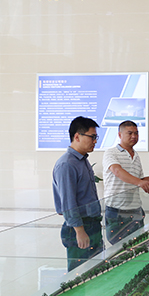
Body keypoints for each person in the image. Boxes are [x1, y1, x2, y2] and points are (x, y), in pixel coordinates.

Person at [52, 116, 104, 271]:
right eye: (92, 137)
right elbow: (68, 203)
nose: (95, 141)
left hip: (91, 224)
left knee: (96, 271)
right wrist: (79, 231)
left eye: (96, 137)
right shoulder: (66, 164)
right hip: (79, 227)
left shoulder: (82, 160)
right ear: (77, 136)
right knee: (79, 274)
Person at [103, 120, 149, 244]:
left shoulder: (136, 156)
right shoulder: (111, 152)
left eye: (136, 133)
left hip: (135, 210)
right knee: (119, 248)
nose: (134, 136)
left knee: (137, 245)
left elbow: (139, 181)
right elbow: (117, 171)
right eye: (130, 133)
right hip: (117, 211)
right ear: (119, 135)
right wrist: (139, 182)